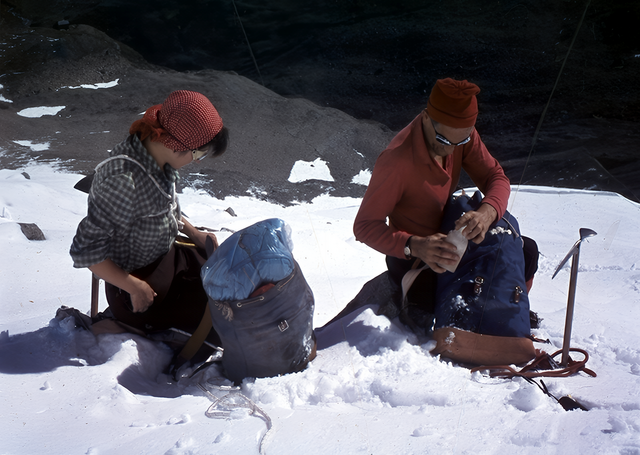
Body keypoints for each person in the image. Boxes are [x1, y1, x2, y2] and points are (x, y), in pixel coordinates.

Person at [353, 78, 538, 320]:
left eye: (461, 141)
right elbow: (364, 226)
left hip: (455, 243)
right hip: (418, 258)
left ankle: (515, 313)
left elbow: (496, 177)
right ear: (426, 117)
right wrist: (415, 245)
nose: (452, 149)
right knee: (447, 298)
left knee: (528, 252)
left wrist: (487, 213)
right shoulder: (396, 161)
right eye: (443, 141)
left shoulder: (461, 133)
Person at [70, 90, 229, 335]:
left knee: (228, 284)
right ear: (176, 144)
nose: (197, 161)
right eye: (199, 153)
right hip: (139, 288)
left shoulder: (154, 155)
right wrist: (134, 287)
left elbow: (163, 207)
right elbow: (87, 252)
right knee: (220, 321)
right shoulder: (122, 182)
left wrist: (194, 233)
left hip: (166, 261)